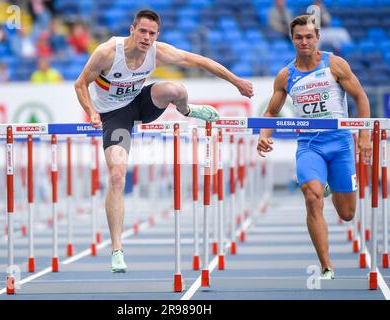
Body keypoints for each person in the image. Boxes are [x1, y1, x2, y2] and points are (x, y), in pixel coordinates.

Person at [74, 9, 253, 273]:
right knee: (117, 177)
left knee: (175, 89)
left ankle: (188, 110)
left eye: (152, 33)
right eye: (142, 31)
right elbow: (80, 84)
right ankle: (117, 250)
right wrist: (91, 112)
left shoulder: (158, 51)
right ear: (132, 29)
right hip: (114, 115)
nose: (146, 38)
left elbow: (201, 61)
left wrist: (236, 81)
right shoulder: (108, 52)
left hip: (141, 104)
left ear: (157, 35)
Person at [256, 15, 372, 279]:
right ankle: (326, 264)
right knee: (311, 197)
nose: (304, 42)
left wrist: (363, 134)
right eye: (299, 37)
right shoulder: (286, 75)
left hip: (340, 143)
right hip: (309, 145)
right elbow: (271, 112)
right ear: (292, 39)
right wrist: (263, 134)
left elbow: (360, 97)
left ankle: (328, 184)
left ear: (317, 37)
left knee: (347, 214)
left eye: (309, 37)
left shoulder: (335, 64)